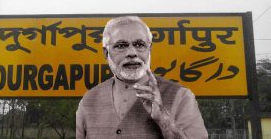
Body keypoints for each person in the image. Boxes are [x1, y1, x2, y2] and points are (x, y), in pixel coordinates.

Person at [76, 16, 208, 139]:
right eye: (121, 46)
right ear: (106, 52)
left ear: (149, 49)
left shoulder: (181, 96)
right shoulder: (89, 100)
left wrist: (163, 119)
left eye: (139, 45)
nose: (132, 53)